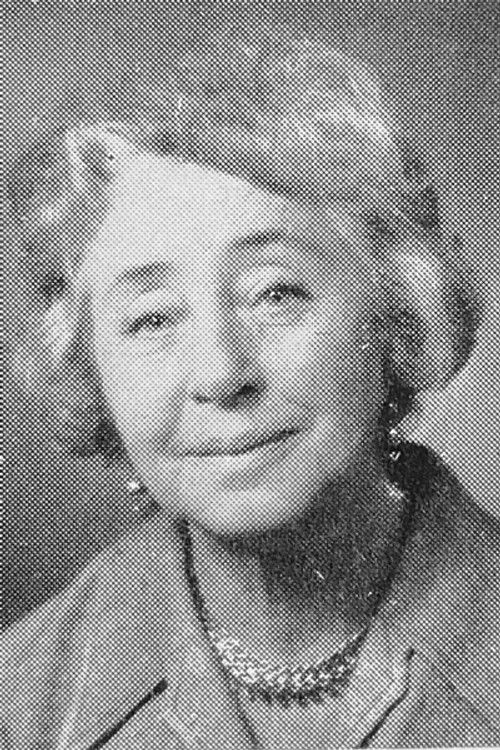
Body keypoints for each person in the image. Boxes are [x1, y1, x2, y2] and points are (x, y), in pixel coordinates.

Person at [2, 24, 499, 750]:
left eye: (275, 294)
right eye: (151, 319)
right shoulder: (22, 703)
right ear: (89, 368)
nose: (221, 373)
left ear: (396, 311)